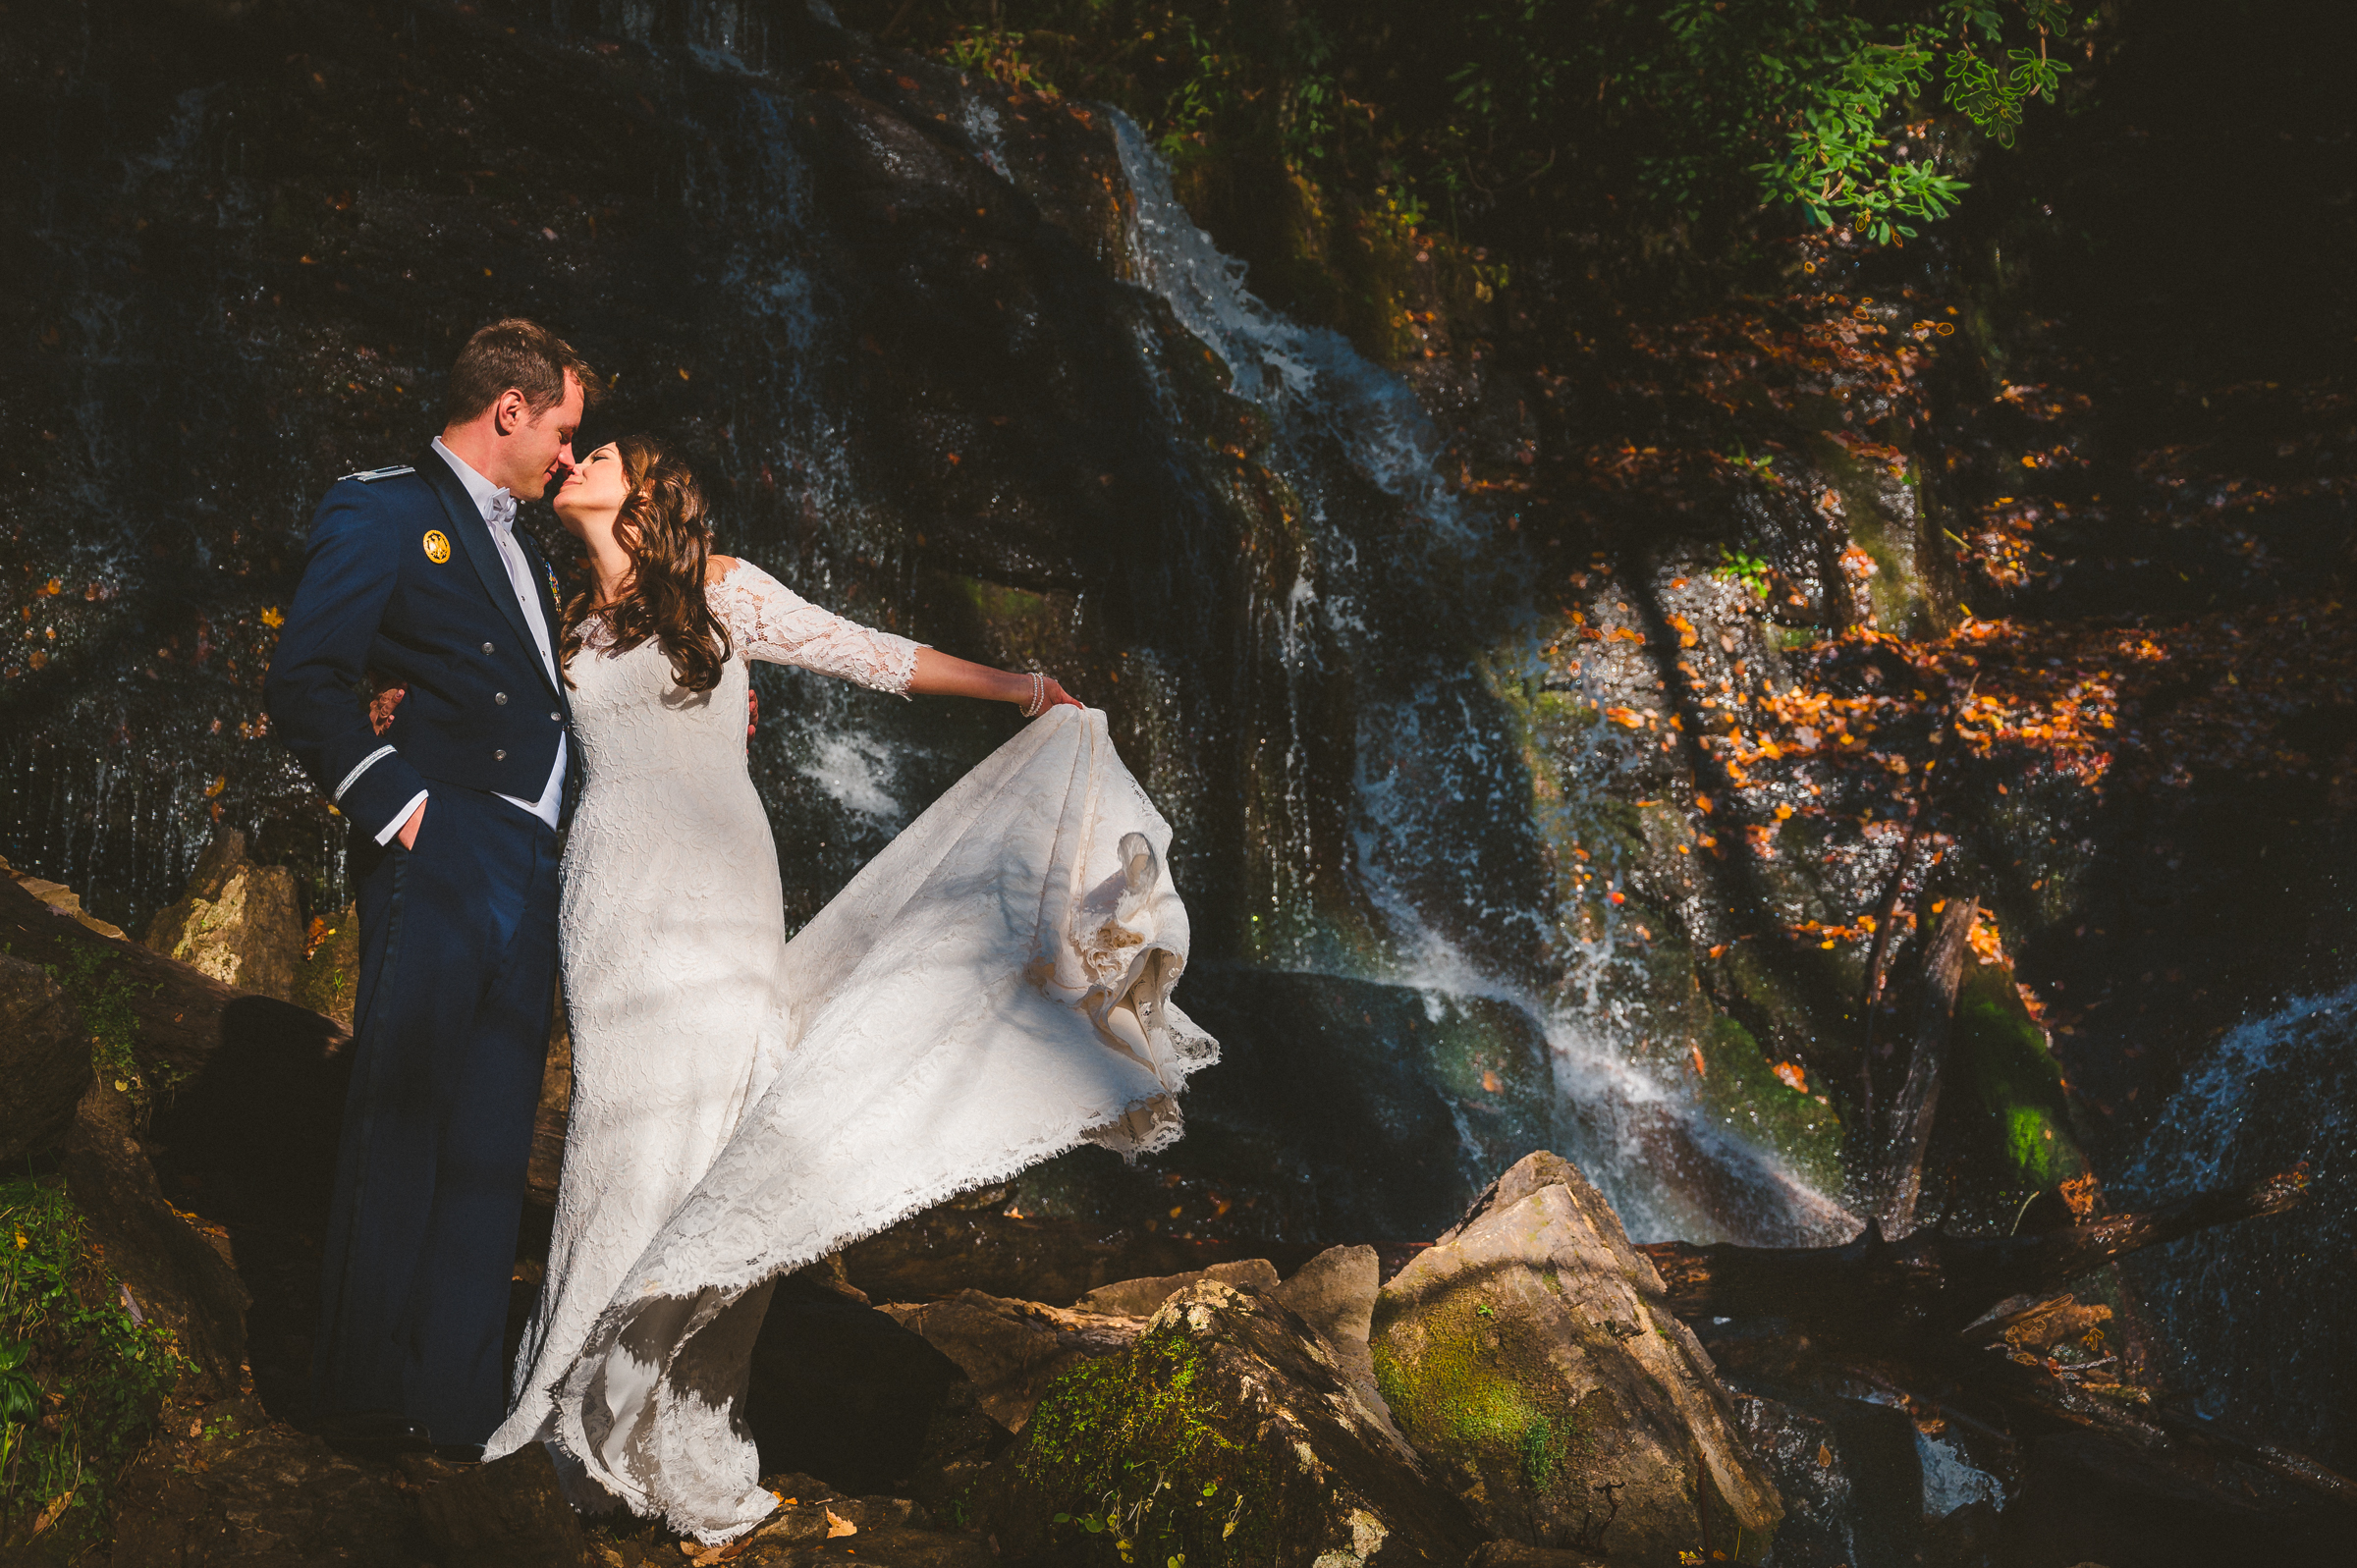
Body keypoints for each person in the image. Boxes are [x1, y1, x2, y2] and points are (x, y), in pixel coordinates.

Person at [481, 434, 1215, 1542]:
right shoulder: (556, 610)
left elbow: (870, 654)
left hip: (721, 878)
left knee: (714, 1122)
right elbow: (493, 713)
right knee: (616, 1133)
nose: (579, 456)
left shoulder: (720, 590)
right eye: (575, 449)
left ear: (648, 494)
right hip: (612, 887)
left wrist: (1020, 687)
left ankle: (652, 1410)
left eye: (605, 451)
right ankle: (564, 1405)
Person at [266, 318, 594, 1458]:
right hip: (444, 838)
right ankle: (362, 1384)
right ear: (511, 407)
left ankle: (453, 1403)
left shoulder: (534, 550)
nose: (567, 457)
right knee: (402, 1107)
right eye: (564, 432)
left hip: (538, 861)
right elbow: (305, 676)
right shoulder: (387, 504)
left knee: (493, 1136)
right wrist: (401, 807)